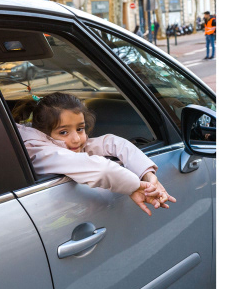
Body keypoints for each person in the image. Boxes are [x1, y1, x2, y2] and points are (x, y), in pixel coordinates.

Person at [13, 92, 173, 216]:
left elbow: (113, 142)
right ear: (42, 132)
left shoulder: (64, 144)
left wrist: (148, 175)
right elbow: (103, 170)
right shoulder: (40, 151)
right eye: (63, 132)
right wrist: (135, 186)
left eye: (80, 129)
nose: (76, 139)